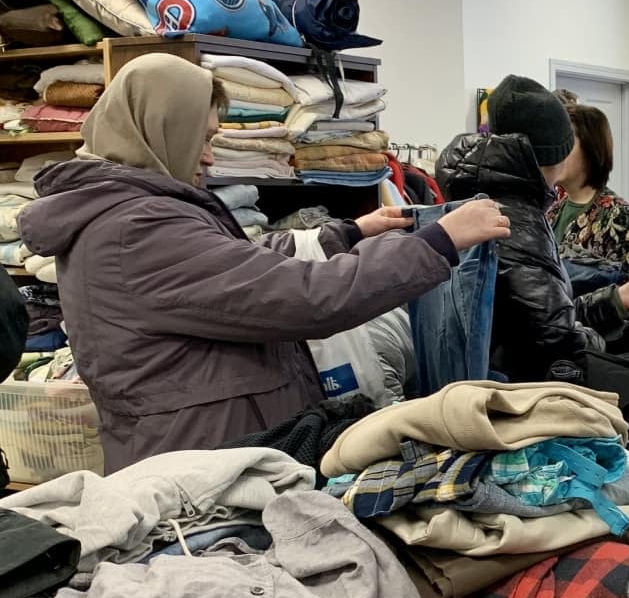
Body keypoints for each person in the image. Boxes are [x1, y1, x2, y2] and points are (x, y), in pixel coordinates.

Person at [17, 53, 509, 472]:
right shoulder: (136, 228)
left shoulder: (138, 212)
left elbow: (236, 267)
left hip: (208, 450)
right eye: (202, 137)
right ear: (160, 130)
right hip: (205, 465)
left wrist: (348, 232)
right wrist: (438, 243)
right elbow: (306, 297)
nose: (209, 157)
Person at [436, 74, 629, 382]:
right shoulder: (516, 227)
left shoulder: (476, 205)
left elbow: (541, 316)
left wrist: (615, 302)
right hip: (515, 400)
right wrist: (603, 351)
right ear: (555, 153)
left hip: (480, 390)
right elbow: (558, 340)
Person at [545, 103, 629, 290]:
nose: (558, 153)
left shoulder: (618, 215)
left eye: (568, 143)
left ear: (591, 148)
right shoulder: (553, 210)